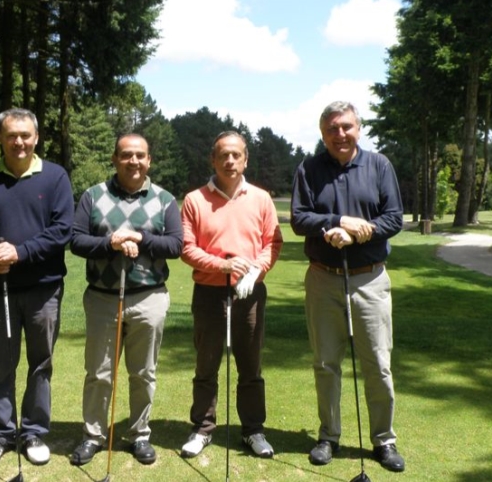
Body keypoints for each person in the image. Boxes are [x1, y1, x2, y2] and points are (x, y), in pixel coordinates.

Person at [290, 101, 405, 472]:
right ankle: (329, 436)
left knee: (378, 364)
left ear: (359, 128)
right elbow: (298, 218)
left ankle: (383, 440)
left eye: (346, 127)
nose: (340, 134)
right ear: (323, 133)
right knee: (326, 363)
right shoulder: (309, 168)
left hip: (370, 278)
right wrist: (339, 221)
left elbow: (394, 218)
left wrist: (357, 233)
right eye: (332, 129)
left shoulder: (379, 165)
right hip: (323, 278)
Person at [0, 108, 74, 467]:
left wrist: (19, 252)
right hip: (0, 290)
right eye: (11, 135)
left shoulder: (55, 177)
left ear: (36, 137)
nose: (19, 142)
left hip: (44, 290)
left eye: (25, 135)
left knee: (40, 363)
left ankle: (34, 432)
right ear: (0, 137)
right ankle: (2, 432)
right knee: (2, 364)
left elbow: (62, 231)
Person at [69, 133, 183, 467]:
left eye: (140, 156)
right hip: (103, 299)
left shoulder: (164, 199)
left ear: (149, 160)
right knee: (99, 373)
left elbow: (176, 246)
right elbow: (75, 241)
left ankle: (139, 434)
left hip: (148, 297)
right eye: (126, 155)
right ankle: (93, 436)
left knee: (143, 372)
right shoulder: (94, 196)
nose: (133, 161)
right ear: (115, 159)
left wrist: (141, 238)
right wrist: (111, 244)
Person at [179, 131, 283, 459]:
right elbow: (186, 248)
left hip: (249, 293)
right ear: (213, 159)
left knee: (250, 365)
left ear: (245, 159)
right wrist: (222, 267)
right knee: (206, 364)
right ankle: (203, 428)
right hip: (209, 291)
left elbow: (272, 243)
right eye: (223, 155)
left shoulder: (262, 199)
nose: (230, 161)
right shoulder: (195, 199)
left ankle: (253, 430)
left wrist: (255, 272)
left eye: (236, 155)